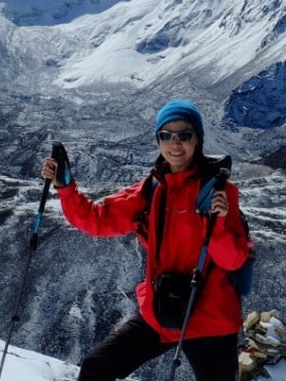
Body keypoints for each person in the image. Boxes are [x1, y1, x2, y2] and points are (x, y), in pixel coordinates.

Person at [41, 98, 250, 381]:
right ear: (158, 140)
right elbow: (97, 220)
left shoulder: (220, 191)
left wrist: (219, 223)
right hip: (160, 311)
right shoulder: (151, 190)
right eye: (166, 135)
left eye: (184, 135)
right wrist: (65, 188)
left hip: (209, 319)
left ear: (197, 140)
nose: (175, 144)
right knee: (95, 368)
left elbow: (233, 259)